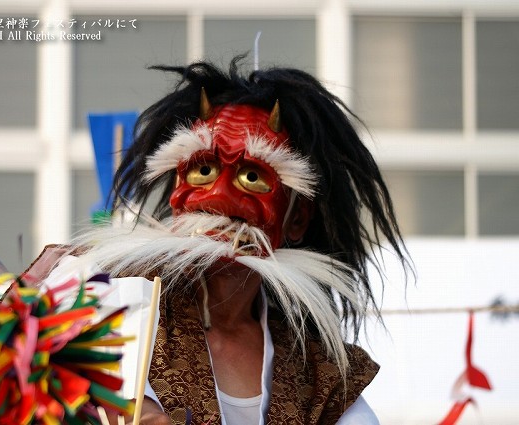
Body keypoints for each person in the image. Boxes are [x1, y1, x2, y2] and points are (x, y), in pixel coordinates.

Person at [73, 57, 411, 425]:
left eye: (251, 176)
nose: (218, 196)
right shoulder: (112, 303)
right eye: (203, 170)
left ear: (295, 219)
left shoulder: (321, 377)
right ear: (176, 194)